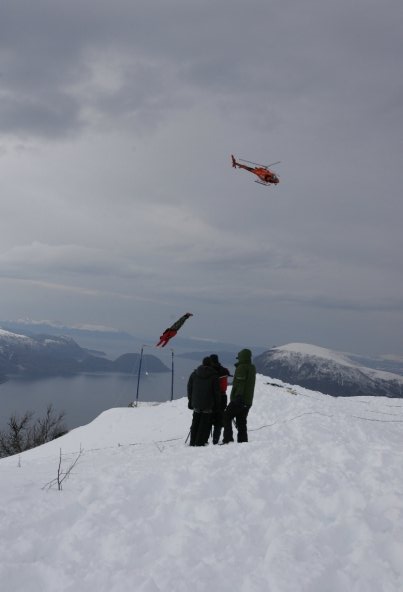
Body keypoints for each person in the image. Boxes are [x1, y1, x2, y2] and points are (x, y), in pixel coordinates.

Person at [222, 349, 256, 444]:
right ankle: (243, 441)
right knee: (241, 421)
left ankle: (228, 440)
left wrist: (238, 396)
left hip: (239, 399)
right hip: (248, 401)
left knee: (226, 416)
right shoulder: (252, 368)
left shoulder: (241, 368)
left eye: (239, 358)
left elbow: (241, 383)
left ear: (242, 357)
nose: (238, 360)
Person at [187, 357, 220, 447]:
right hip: (208, 405)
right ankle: (199, 443)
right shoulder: (214, 376)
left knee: (195, 423)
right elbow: (216, 392)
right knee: (204, 424)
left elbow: (190, 388)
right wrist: (217, 405)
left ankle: (192, 442)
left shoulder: (194, 374)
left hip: (196, 403)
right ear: (211, 364)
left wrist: (190, 401)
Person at [209, 354, 231, 445]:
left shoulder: (210, 371)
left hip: (212, 397)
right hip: (222, 397)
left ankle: (204, 439)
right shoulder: (224, 370)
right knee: (218, 421)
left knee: (208, 418)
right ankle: (215, 440)